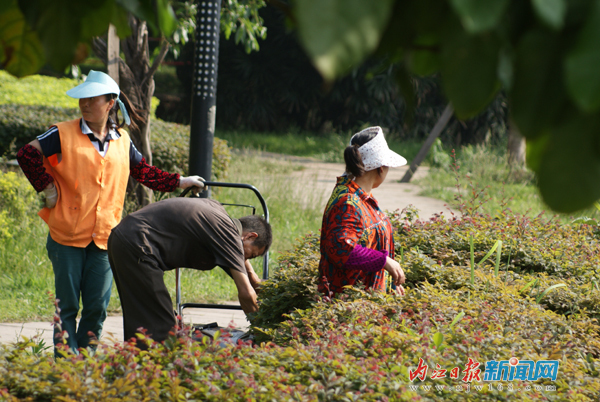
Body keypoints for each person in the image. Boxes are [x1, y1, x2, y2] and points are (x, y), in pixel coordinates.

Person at [16, 70, 205, 354]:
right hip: (66, 235)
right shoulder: (62, 133)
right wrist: (48, 187)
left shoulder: (123, 140)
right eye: (82, 98)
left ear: (110, 103)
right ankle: (66, 369)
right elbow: (26, 154)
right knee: (66, 307)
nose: (85, 103)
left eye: (92, 99)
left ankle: (85, 366)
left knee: (96, 308)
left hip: (105, 238)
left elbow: (145, 173)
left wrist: (181, 181)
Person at [107, 197, 271, 344]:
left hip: (123, 237)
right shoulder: (227, 233)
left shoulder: (220, 218)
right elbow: (247, 294)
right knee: (162, 328)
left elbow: (249, 276)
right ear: (250, 236)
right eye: (252, 254)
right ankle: (151, 371)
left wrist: (259, 283)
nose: (247, 259)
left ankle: (135, 368)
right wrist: (263, 331)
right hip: (137, 244)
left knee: (143, 319)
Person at [318, 126, 407, 297]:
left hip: (366, 302)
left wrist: (388, 284)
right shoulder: (348, 202)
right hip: (348, 307)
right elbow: (341, 248)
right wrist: (384, 261)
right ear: (381, 168)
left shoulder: (361, 197)